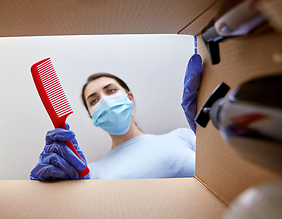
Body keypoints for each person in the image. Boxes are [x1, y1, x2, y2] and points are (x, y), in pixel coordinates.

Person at [30, 55, 202, 180]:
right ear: (92, 116)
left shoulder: (183, 136)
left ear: (130, 98)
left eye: (111, 90)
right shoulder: (90, 172)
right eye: (94, 100)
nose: (104, 100)